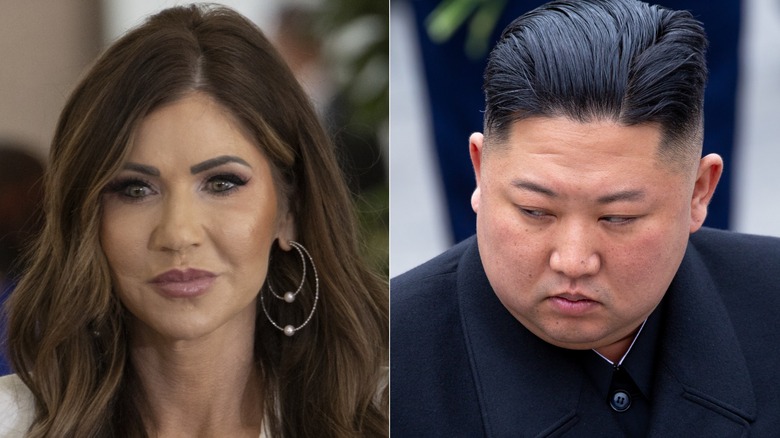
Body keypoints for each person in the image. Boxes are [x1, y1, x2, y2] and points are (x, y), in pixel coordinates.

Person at [391, 0, 780, 436]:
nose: (573, 262)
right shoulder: (389, 365)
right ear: (480, 171)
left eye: (617, 217)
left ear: (699, 191)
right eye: (535, 211)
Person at [0, 5, 387, 437]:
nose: (179, 234)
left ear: (289, 211)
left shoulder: (390, 413)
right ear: (86, 216)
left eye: (222, 183)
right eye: (135, 189)